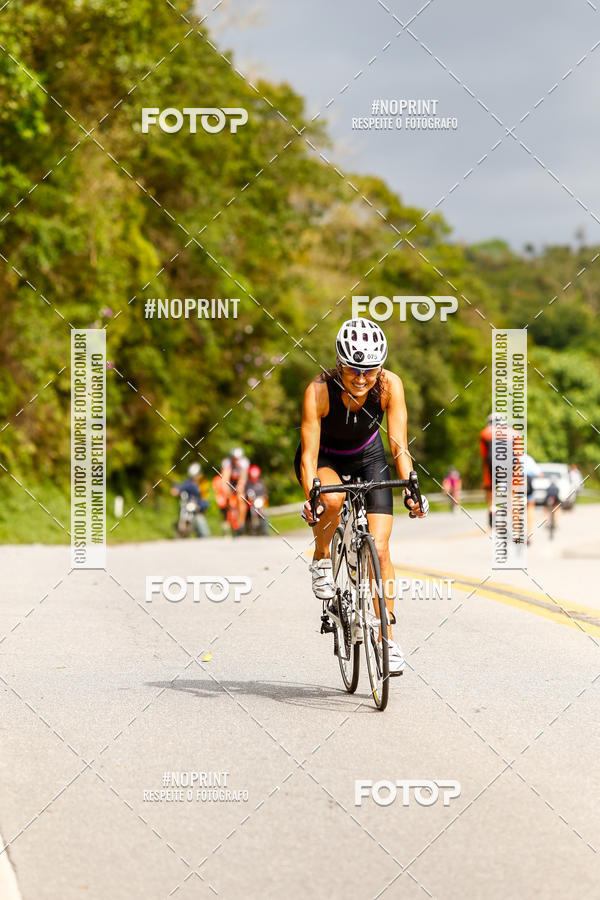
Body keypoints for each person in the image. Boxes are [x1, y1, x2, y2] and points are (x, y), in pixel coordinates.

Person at [295, 317, 429, 676]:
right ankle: (322, 557)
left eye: (369, 370)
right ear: (340, 364)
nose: (361, 377)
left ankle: (386, 640)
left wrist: (411, 488)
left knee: (381, 548)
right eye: (353, 369)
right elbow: (307, 456)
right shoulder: (319, 391)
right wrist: (313, 497)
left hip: (368, 457)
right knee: (333, 502)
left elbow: (398, 445)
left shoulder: (389, 386)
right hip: (325, 459)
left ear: (380, 367)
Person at [215, 447, 250, 534]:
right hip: (230, 481)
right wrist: (226, 490)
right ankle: (226, 519)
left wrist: (240, 486)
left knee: (241, 498)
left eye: (237, 459)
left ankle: (241, 523)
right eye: (234, 458)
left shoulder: (244, 462)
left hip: (240, 482)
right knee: (225, 497)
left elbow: (243, 477)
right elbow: (225, 478)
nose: (236, 460)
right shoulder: (227, 462)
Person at [171, 462, 211, 537]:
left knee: (202, 526)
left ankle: (204, 538)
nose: (195, 478)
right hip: (187, 507)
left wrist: (200, 506)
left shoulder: (203, 483)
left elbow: (204, 498)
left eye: (196, 475)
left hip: (198, 508)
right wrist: (176, 489)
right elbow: (182, 487)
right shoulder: (189, 482)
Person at [245, 465, 269, 535]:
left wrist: (263, 499)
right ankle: (250, 531)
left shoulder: (261, 483)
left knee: (264, 514)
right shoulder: (247, 484)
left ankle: (265, 531)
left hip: (260, 504)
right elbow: (246, 494)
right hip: (250, 505)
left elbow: (265, 494)